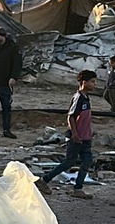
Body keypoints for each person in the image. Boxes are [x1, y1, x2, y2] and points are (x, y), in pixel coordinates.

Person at [36, 70, 97, 199]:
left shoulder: (86, 98)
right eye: (92, 82)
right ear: (84, 82)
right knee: (69, 162)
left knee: (87, 162)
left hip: (85, 137)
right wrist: (75, 134)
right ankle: (44, 180)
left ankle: (78, 188)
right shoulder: (78, 97)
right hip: (77, 138)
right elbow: (71, 117)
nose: (94, 84)